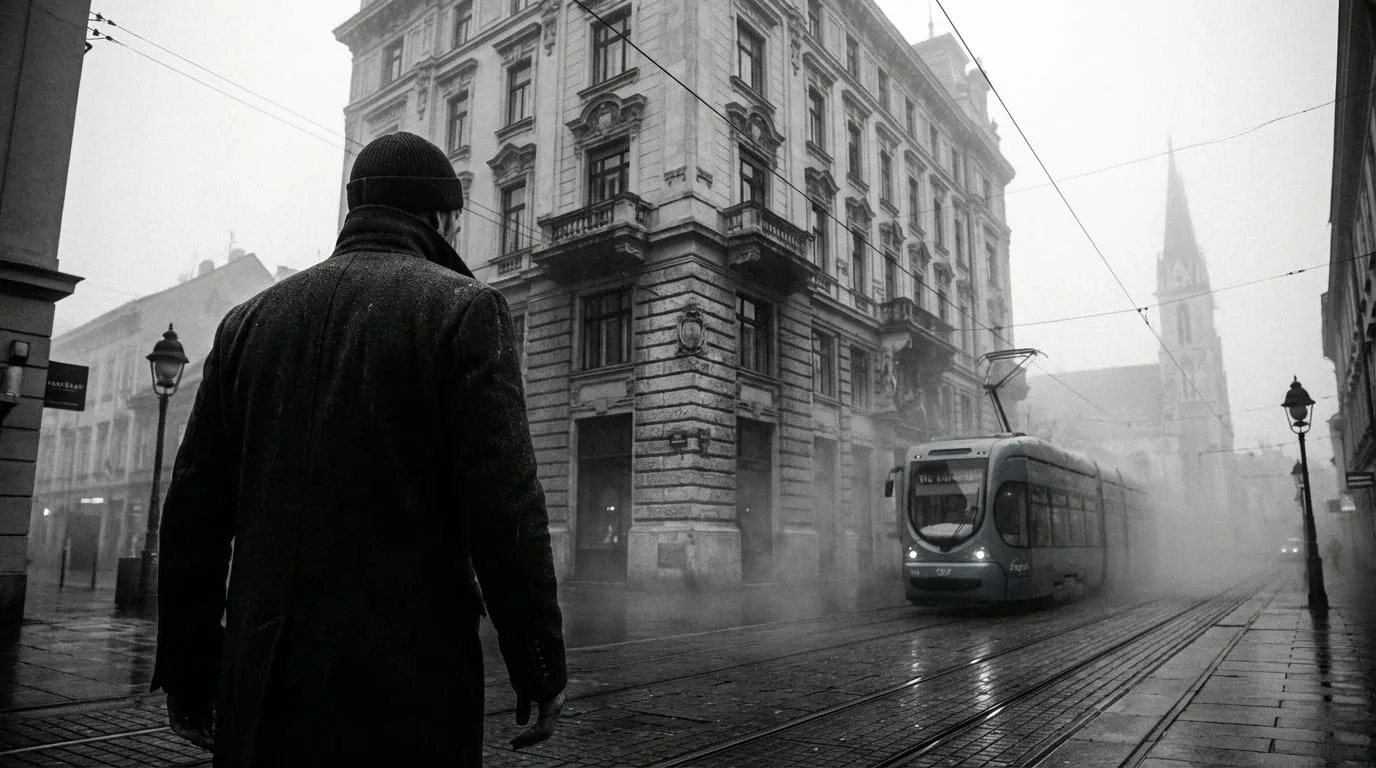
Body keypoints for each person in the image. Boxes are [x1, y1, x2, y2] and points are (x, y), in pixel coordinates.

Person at [151, 131, 567, 767]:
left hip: (260, 687)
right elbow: (506, 508)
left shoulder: (246, 323)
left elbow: (193, 516)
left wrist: (188, 668)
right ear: (440, 217)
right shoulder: (465, 311)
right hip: (405, 690)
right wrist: (537, 663)